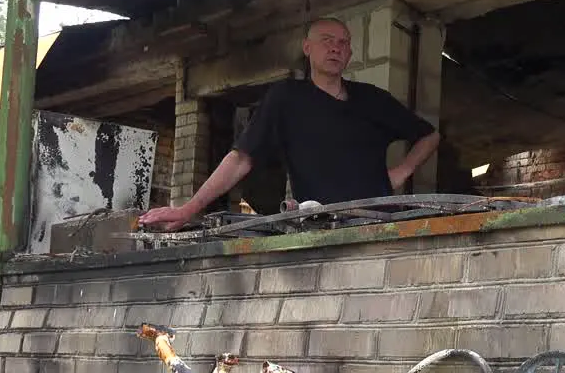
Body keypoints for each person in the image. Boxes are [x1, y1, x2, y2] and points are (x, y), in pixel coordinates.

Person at [139, 17, 441, 231]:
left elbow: (429, 136)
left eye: (343, 43)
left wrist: (401, 172)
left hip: (379, 224)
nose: (335, 48)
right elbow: (240, 158)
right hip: (322, 228)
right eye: (327, 41)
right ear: (307, 48)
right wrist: (187, 209)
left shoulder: (372, 99)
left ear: (349, 53)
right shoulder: (286, 98)